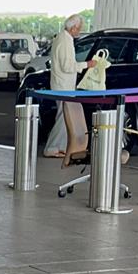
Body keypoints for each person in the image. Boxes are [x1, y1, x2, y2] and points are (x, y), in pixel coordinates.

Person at [49, 14, 96, 164]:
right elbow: (67, 66)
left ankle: (60, 147)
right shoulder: (64, 41)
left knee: (64, 117)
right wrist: (86, 65)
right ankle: (52, 147)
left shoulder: (64, 39)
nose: (80, 31)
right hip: (63, 86)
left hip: (63, 85)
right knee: (63, 117)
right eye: (79, 28)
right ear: (73, 27)